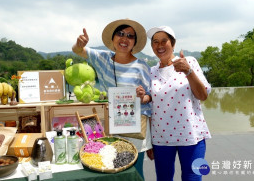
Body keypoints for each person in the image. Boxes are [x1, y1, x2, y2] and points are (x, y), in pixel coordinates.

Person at [72, 19, 152, 179]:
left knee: (135, 171)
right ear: (113, 38)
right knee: (111, 167)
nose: (124, 39)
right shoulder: (103, 58)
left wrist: (142, 97)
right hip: (112, 125)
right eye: (120, 34)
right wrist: (79, 44)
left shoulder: (142, 65)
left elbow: (150, 97)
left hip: (135, 127)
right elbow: (77, 50)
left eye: (130, 36)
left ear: (134, 42)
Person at [137, 26, 212, 181]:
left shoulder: (189, 62)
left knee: (193, 178)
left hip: (191, 135)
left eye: (164, 41)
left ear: (173, 44)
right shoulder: (151, 72)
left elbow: (202, 95)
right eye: (155, 42)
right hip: (161, 137)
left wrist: (188, 71)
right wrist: (141, 97)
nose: (159, 45)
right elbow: (150, 102)